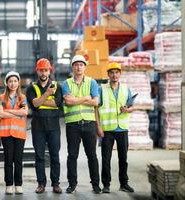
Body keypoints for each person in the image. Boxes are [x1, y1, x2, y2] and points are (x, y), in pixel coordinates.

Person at [62, 54, 102, 194]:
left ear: (85, 67)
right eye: (76, 65)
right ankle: (72, 184)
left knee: (92, 155)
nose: (78, 67)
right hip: (73, 125)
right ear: (72, 67)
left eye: (81, 64)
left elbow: (96, 102)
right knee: (72, 155)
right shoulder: (66, 83)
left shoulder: (92, 82)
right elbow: (68, 101)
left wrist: (76, 99)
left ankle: (96, 184)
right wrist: (86, 97)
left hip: (89, 123)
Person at [97, 62, 135, 193]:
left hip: (122, 128)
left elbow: (132, 106)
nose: (114, 75)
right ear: (108, 75)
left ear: (120, 74)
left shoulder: (126, 88)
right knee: (106, 159)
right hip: (107, 129)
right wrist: (99, 127)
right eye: (112, 73)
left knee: (123, 159)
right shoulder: (101, 88)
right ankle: (106, 185)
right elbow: (96, 109)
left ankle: (124, 184)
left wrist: (127, 110)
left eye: (117, 72)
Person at [26, 58, 63, 194]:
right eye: (41, 70)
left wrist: (41, 101)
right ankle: (41, 183)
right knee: (39, 156)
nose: (43, 73)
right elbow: (34, 104)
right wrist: (47, 95)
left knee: (54, 156)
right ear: (37, 71)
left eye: (46, 70)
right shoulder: (31, 88)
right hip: (38, 128)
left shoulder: (57, 87)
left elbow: (57, 103)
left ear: (50, 71)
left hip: (54, 127)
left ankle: (55, 183)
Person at [0, 71, 28, 195]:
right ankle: (9, 184)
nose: (13, 83)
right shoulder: (1, 98)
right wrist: (17, 112)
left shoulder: (22, 98)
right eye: (10, 81)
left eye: (15, 81)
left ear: (18, 83)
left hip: (19, 134)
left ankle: (19, 184)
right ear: (7, 83)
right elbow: (0, 114)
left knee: (18, 160)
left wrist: (8, 112)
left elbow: (25, 112)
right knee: (8, 160)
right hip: (6, 134)